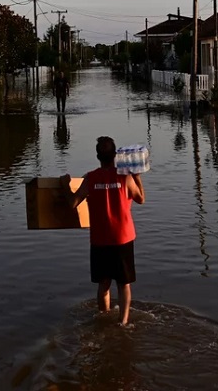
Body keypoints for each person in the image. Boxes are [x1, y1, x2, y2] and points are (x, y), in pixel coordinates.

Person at [60, 136, 146, 326]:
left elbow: (73, 203)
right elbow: (141, 199)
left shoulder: (90, 178)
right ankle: (123, 323)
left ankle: (104, 317)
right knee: (124, 284)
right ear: (115, 155)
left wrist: (65, 185)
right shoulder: (125, 177)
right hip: (123, 237)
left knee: (104, 284)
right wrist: (137, 175)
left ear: (98, 156)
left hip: (100, 239)